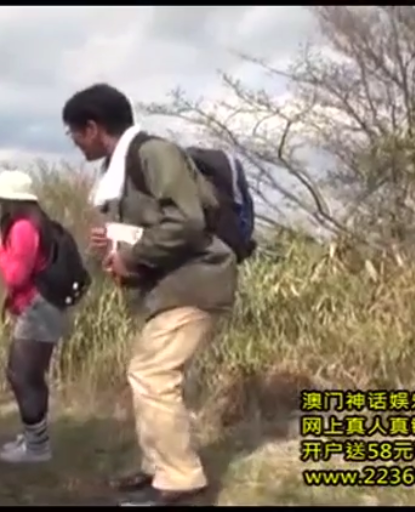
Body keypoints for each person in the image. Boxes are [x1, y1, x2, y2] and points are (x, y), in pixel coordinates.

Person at [62, 83, 238, 506]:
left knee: (153, 375)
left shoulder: (154, 154)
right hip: (171, 287)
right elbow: (157, 224)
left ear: (93, 127)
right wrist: (116, 238)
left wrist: (131, 256)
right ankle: (157, 467)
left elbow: (187, 223)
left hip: (194, 283)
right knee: (146, 373)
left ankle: (180, 479)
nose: (74, 142)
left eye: (74, 132)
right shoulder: (122, 165)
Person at [0, 169, 69, 464]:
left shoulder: (22, 228)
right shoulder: (39, 223)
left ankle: (37, 447)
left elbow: (15, 276)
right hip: (44, 306)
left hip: (37, 308)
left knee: (21, 375)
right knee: (30, 375)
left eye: (0, 199)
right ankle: (35, 439)